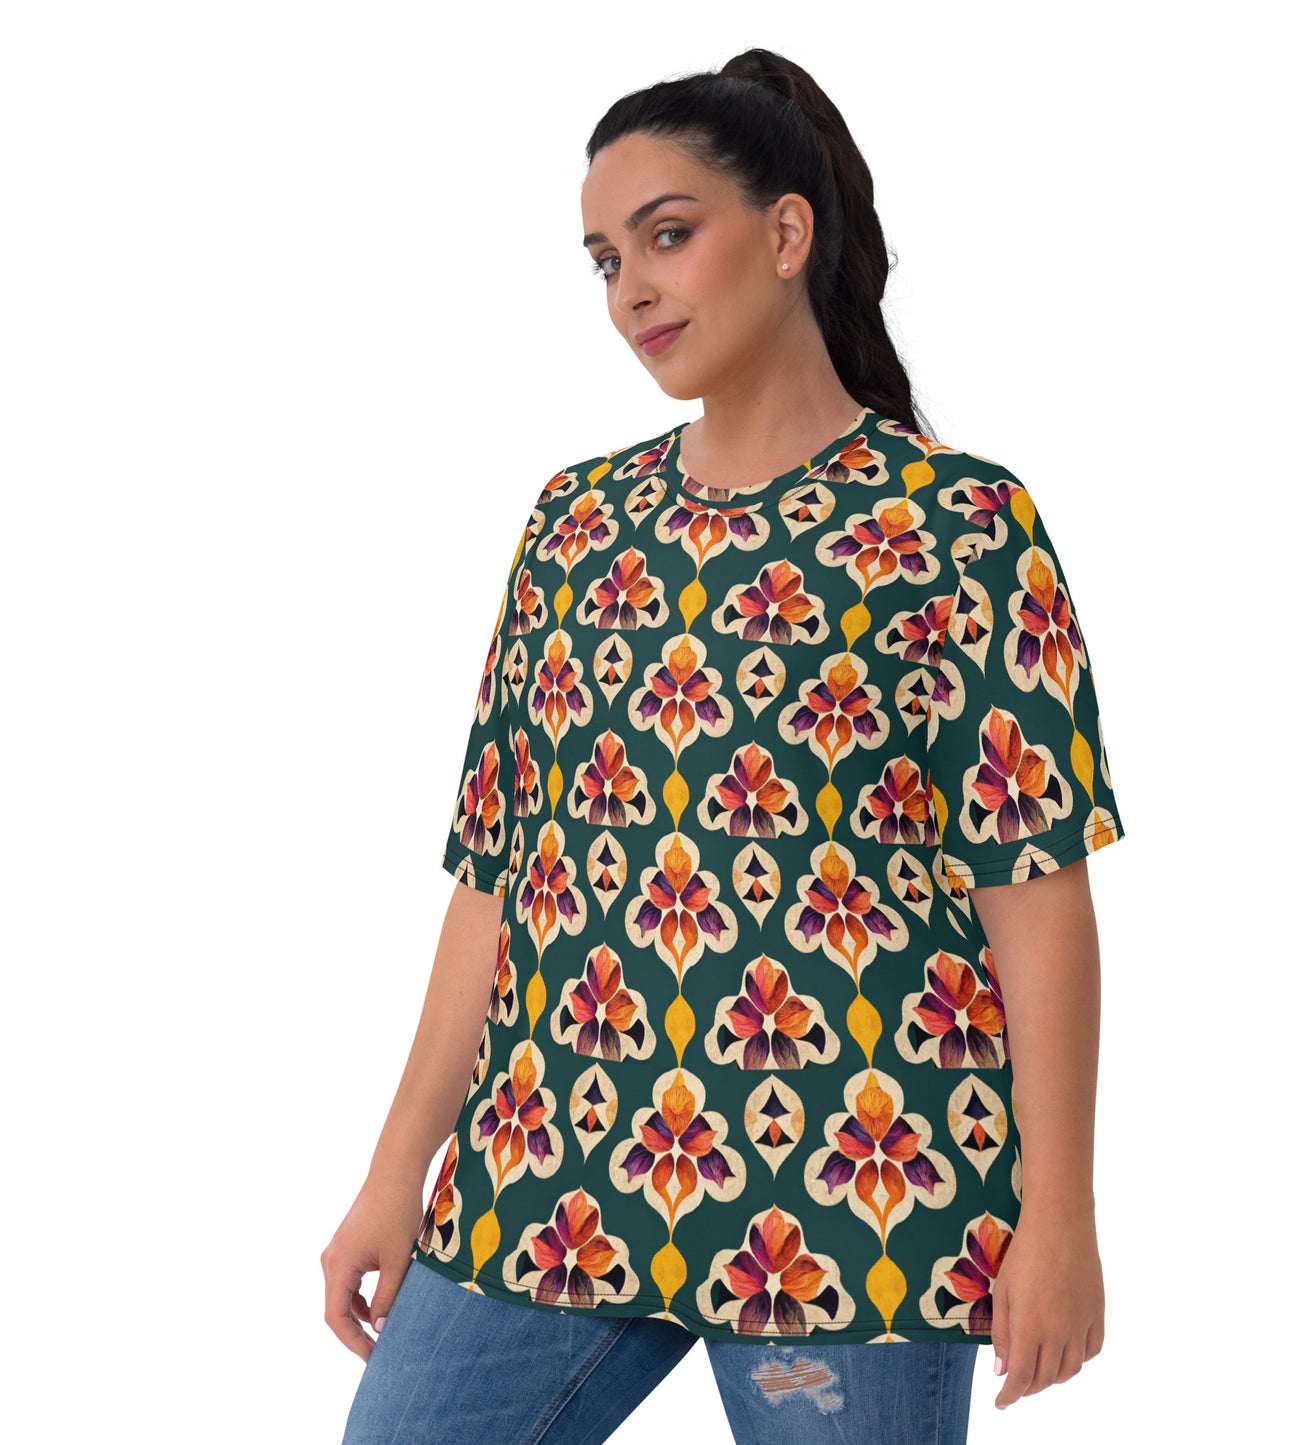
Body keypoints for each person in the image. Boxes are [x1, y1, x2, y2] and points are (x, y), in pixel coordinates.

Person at [323, 46, 1126, 1444]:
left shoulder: (959, 528)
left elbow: (1036, 892)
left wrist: (1059, 1212)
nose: (630, 289)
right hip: (553, 1166)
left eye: (667, 235)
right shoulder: (574, 525)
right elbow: (496, 877)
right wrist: (397, 1170)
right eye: (603, 260)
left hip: (857, 1193)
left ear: (786, 232)